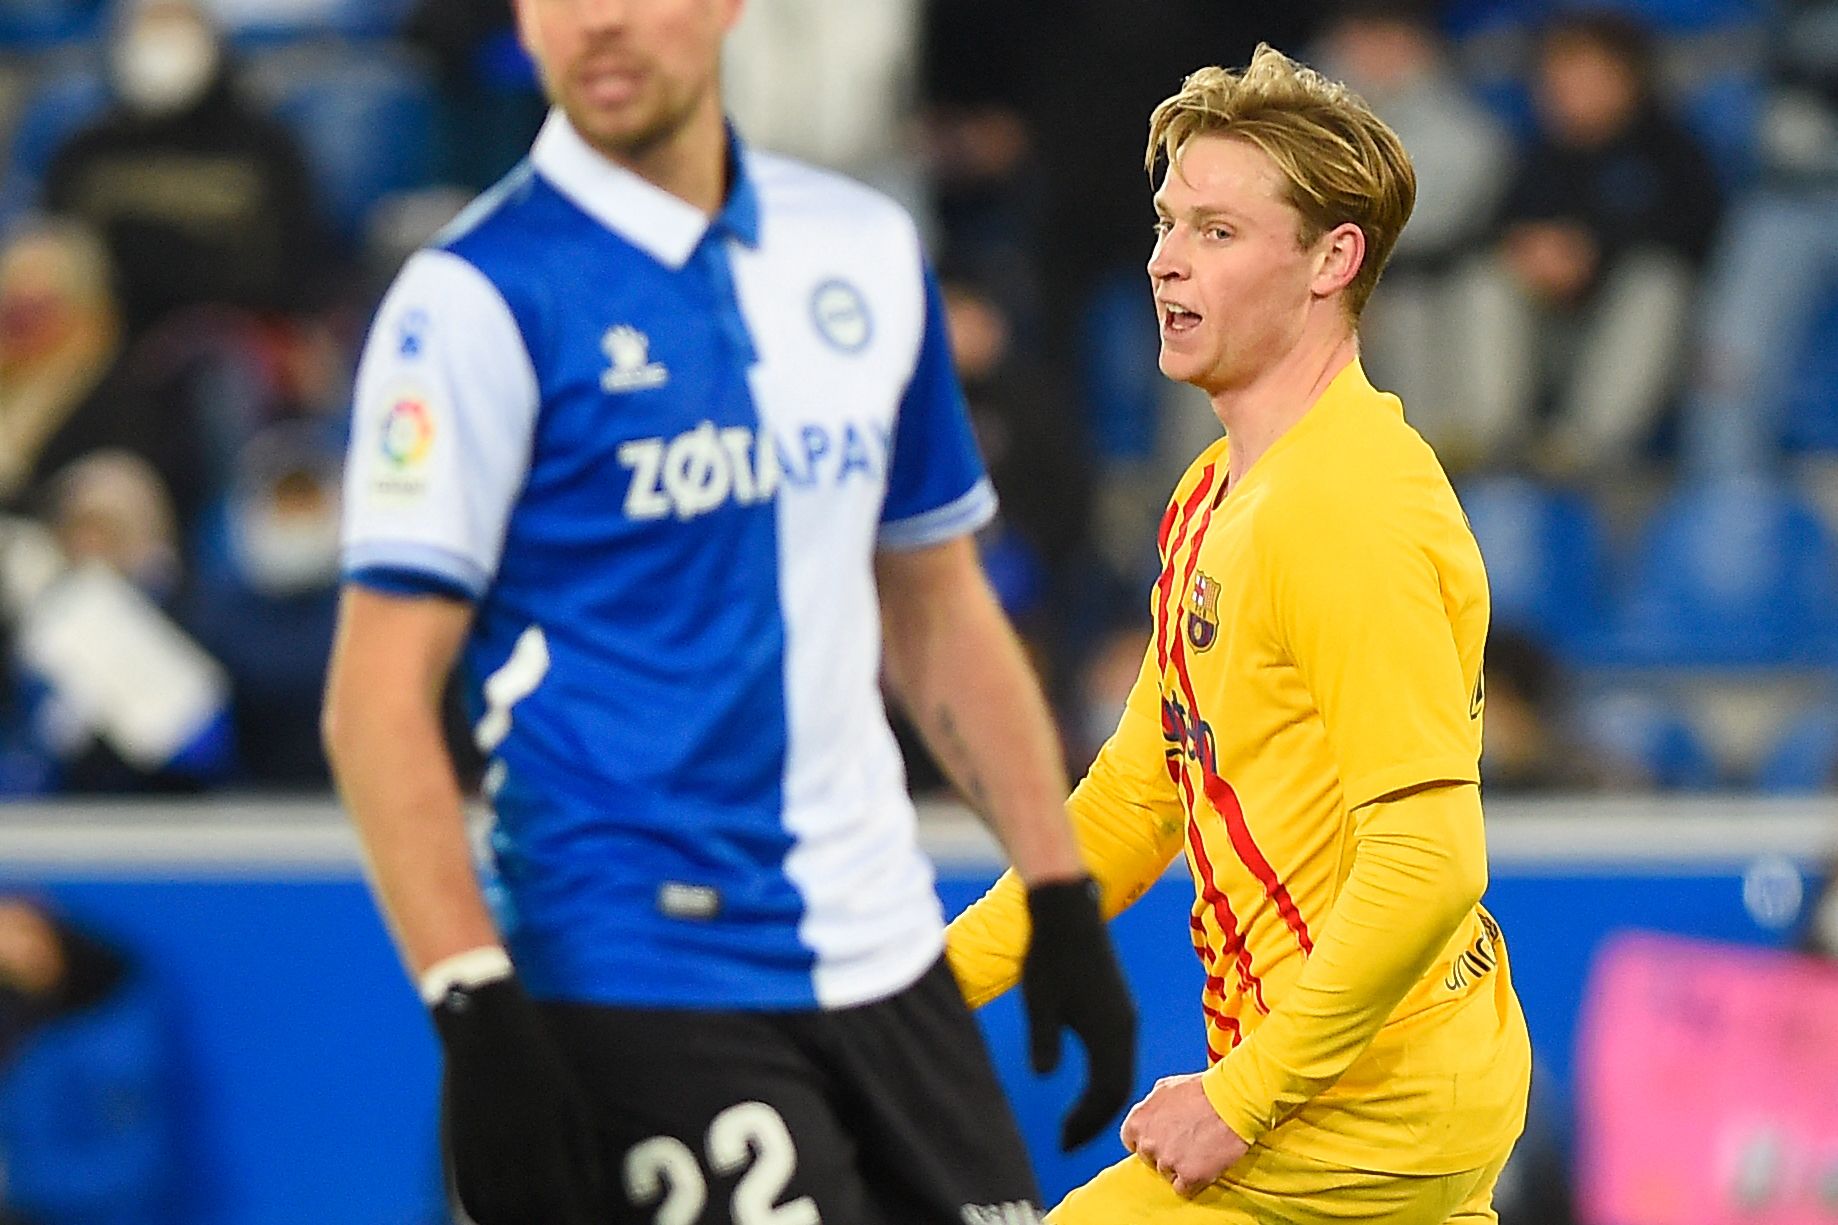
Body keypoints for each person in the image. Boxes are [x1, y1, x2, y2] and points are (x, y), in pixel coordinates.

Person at [320, 2, 1136, 1224]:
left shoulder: (860, 249)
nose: (598, 21)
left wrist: (1058, 893)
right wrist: (471, 998)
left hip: (886, 951)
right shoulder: (473, 303)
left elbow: (936, 600)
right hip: (630, 968)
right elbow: (373, 698)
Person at [947, 46, 1531, 1223]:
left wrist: (1241, 1096)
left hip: (1358, 1116)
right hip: (1384, 1089)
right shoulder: (1220, 488)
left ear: (1332, 259)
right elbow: (1133, 797)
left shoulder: (1343, 507)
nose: (1165, 258)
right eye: (1168, 223)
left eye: (1217, 232)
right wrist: (921, 989)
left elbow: (1429, 859)